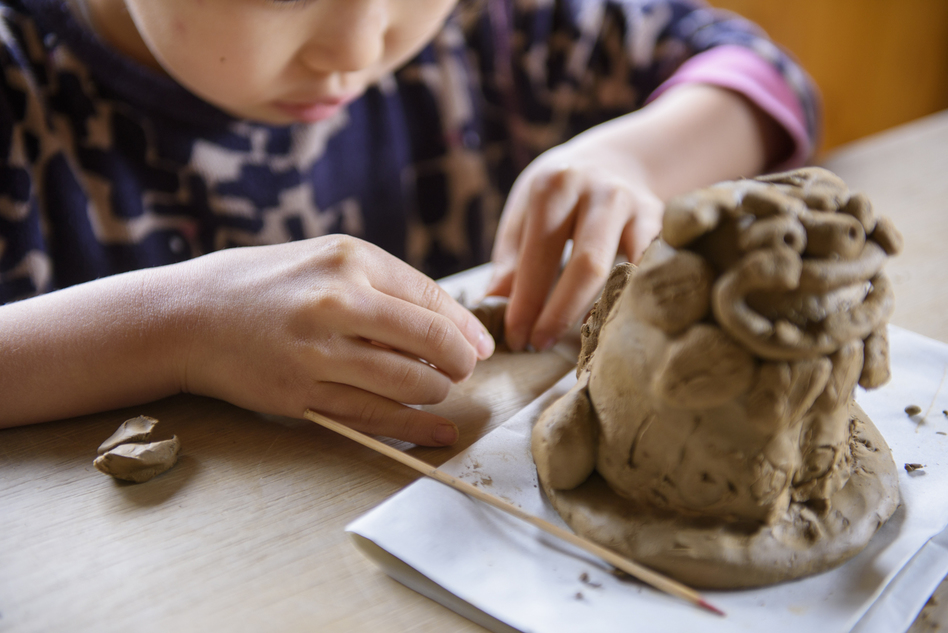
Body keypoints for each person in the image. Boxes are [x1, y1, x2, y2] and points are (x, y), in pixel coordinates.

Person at [0, 0, 819, 445]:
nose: (356, 44)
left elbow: (764, 78)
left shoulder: (489, 27)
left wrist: (639, 159)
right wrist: (175, 327)